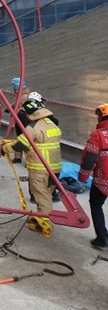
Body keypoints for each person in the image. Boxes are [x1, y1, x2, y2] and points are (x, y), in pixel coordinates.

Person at [0, 98, 62, 235]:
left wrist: (4, 148)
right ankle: (40, 217)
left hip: (40, 169)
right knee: (47, 193)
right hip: (55, 168)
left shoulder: (32, 127)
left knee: (42, 196)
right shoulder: (52, 124)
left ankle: (45, 223)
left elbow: (20, 145)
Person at [78, 103, 108, 251]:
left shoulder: (98, 135)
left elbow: (89, 159)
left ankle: (102, 238)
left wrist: (82, 179)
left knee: (96, 205)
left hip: (103, 181)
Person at [9, 77, 29, 164]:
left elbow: (23, 108)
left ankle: (29, 160)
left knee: (25, 140)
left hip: (23, 120)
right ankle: (17, 157)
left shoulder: (25, 97)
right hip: (18, 120)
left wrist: (15, 110)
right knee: (17, 138)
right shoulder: (20, 96)